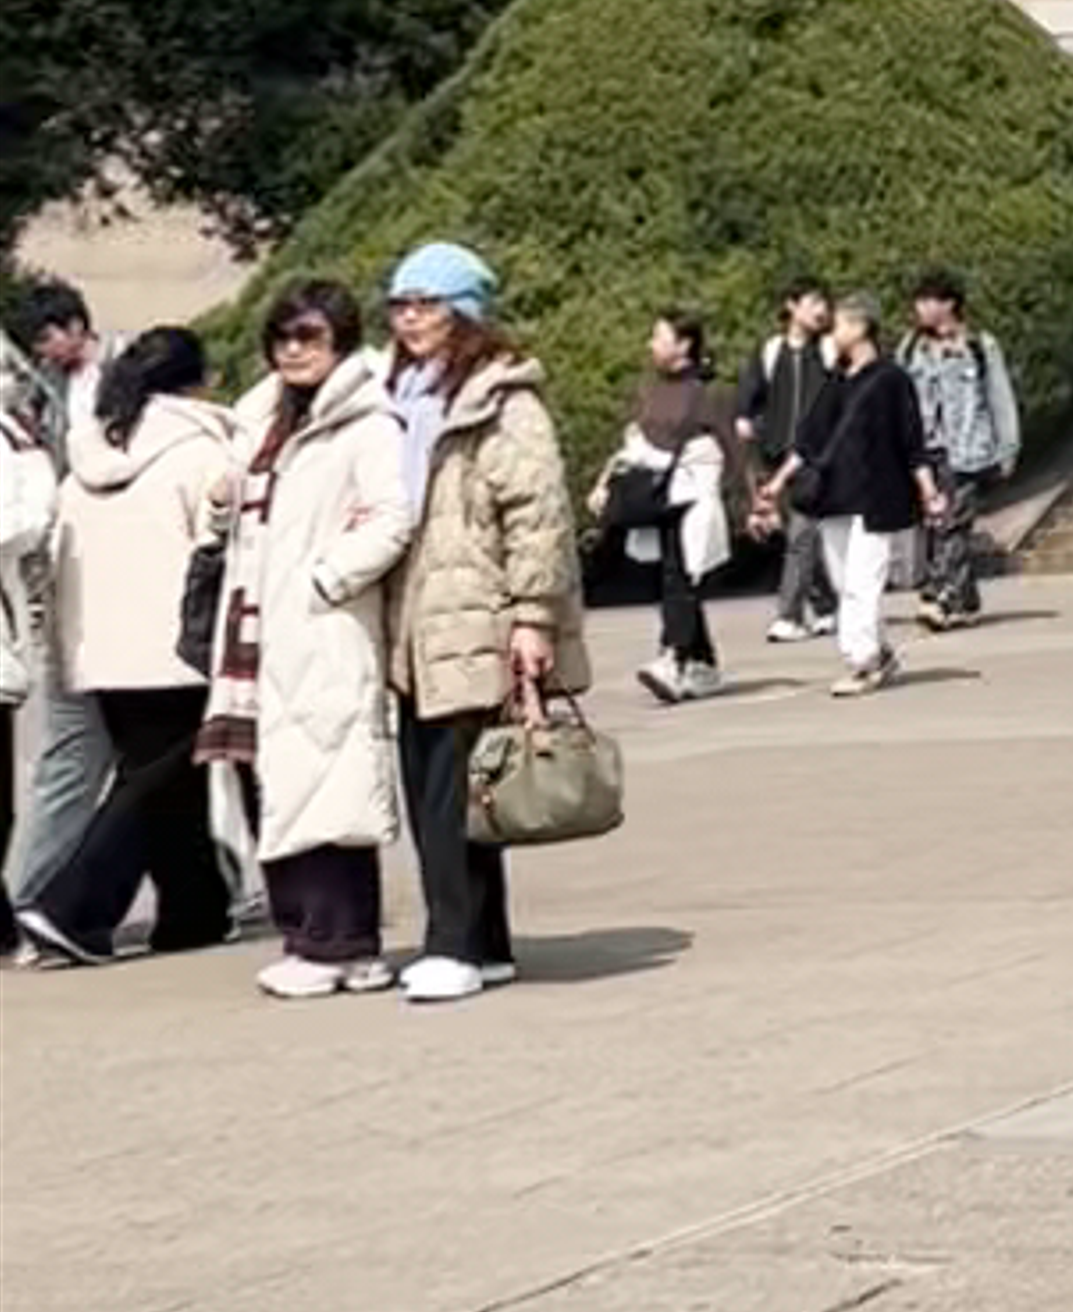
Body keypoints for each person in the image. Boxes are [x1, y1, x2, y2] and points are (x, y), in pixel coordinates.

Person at [376, 250, 587, 1003]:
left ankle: (452, 943)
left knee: (446, 789)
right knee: (454, 784)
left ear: (465, 310)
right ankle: (485, 940)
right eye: (399, 303)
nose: (410, 318)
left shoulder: (502, 400)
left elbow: (540, 518)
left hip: (476, 610)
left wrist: (533, 616)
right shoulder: (392, 392)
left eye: (427, 303)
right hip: (413, 617)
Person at [9, 330, 240, 971]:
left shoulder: (88, 454)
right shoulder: (204, 452)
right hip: (178, 646)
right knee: (154, 780)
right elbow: (220, 547)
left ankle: (193, 912)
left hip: (97, 647)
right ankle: (72, 907)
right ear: (199, 381)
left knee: (168, 783)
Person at [220, 280, 412, 994]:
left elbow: (392, 515)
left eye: (311, 337)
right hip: (258, 624)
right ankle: (320, 937)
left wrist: (326, 579)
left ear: (341, 343)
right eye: (284, 336)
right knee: (280, 778)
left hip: (320, 621)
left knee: (330, 776)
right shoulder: (261, 422)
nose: (294, 350)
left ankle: (336, 942)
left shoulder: (366, 422)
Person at [2, 279, 108, 912]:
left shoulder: (118, 375)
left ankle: (35, 893)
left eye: (48, 337)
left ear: (76, 326)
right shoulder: (47, 397)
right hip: (61, 579)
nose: (43, 352)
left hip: (93, 571)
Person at [781, 290, 931, 692]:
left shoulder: (891, 379)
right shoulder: (836, 381)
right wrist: (778, 481)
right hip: (834, 496)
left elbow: (911, 438)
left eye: (843, 323)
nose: (835, 330)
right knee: (845, 581)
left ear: (862, 327)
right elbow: (809, 439)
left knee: (864, 580)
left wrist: (928, 487)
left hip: (876, 496)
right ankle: (878, 650)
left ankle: (861, 661)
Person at [617, 312, 748, 703]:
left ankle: (671, 658)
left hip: (694, 500)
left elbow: (733, 451)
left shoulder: (705, 393)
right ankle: (702, 663)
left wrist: (753, 502)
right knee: (672, 581)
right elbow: (636, 438)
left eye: (659, 337)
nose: (651, 344)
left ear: (683, 344)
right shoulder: (650, 389)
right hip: (659, 498)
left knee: (681, 579)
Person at [903, 274, 1022, 623]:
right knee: (934, 524)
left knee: (953, 522)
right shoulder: (912, 348)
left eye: (928, 301)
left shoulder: (979, 346)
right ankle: (966, 596)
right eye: (919, 301)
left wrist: (1007, 447)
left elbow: (1000, 397)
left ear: (948, 304)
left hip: (968, 449)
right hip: (926, 449)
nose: (920, 309)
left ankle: (942, 594)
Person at [742, 286, 843, 646]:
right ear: (792, 306)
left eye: (824, 304)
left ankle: (789, 616)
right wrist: (745, 419)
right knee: (799, 537)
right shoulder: (771, 351)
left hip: (817, 458)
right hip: (776, 458)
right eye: (813, 302)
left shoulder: (830, 350)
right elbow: (750, 393)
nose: (821, 310)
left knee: (801, 534)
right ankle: (829, 607)